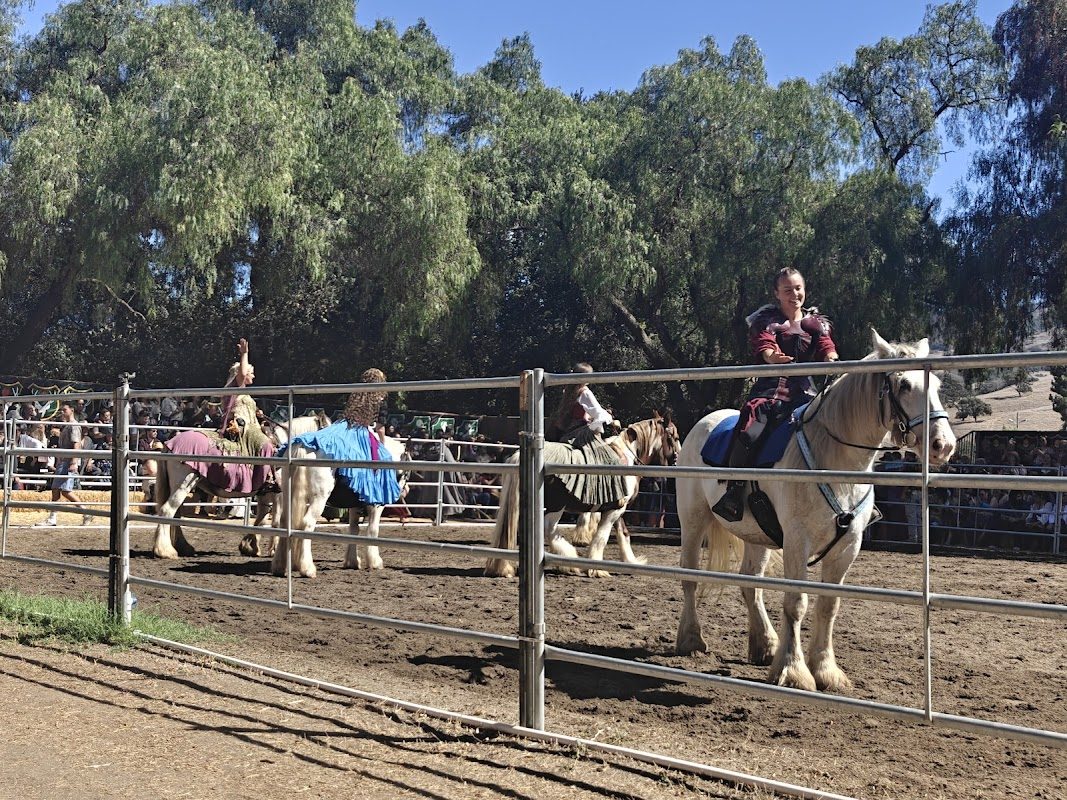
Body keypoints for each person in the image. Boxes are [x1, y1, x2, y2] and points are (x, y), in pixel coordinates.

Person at [712, 267, 839, 522]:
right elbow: (766, 349)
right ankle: (734, 491)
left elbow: (827, 348)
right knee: (753, 426)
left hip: (806, 393)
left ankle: (847, 495)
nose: (795, 294)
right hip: (772, 391)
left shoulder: (816, 323)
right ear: (777, 294)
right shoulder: (767, 321)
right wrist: (774, 358)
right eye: (787, 290)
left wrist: (832, 359)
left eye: (798, 288)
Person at [35, 401, 92, 526]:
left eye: (64, 410)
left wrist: (73, 462)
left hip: (68, 461)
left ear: (72, 410)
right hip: (64, 461)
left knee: (65, 490)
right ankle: (53, 517)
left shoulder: (73, 426)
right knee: (56, 489)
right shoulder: (67, 426)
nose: (62, 412)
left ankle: (86, 512)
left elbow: (76, 444)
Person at [547, 362, 614, 445]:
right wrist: (609, 418)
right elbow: (598, 413)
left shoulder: (568, 390)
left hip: (563, 431)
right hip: (576, 434)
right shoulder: (585, 393)